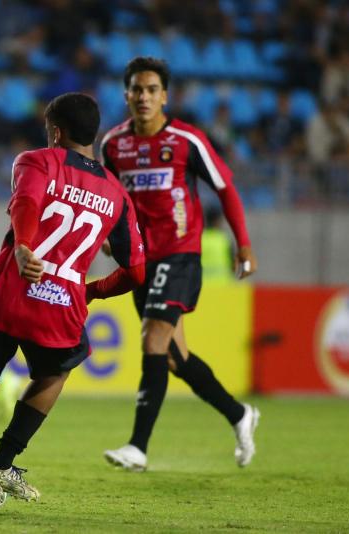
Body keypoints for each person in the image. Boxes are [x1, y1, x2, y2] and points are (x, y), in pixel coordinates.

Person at [0, 92, 146, 517]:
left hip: (10, 293)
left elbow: (27, 202)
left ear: (56, 132)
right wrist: (90, 291)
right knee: (53, 374)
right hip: (63, 306)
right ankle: (4, 464)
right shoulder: (117, 194)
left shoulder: (36, 161)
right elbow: (136, 272)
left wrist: (24, 246)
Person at [100, 57, 260, 473]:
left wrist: (242, 244)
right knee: (173, 357)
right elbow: (109, 200)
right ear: (126, 95)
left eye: (152, 89)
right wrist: (105, 236)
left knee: (153, 340)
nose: (144, 97)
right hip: (140, 261)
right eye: (136, 89)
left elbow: (225, 188)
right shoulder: (113, 145)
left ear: (165, 96)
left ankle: (137, 446)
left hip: (181, 253)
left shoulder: (187, 140)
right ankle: (240, 414)